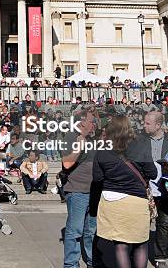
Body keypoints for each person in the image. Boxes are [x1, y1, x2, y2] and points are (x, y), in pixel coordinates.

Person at [92, 115, 157, 268]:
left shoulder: (103, 150)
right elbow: (152, 173)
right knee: (141, 243)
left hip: (112, 201)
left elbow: (97, 178)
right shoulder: (140, 145)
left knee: (120, 245)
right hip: (136, 200)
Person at [128, 111, 168, 268]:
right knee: (140, 223)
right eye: (144, 123)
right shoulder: (139, 140)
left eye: (148, 123)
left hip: (165, 188)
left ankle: (160, 257)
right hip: (144, 188)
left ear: (158, 125)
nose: (144, 126)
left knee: (163, 223)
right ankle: (137, 253)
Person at [61, 114, 98, 268]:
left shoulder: (93, 139)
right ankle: (71, 264)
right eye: (92, 121)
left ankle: (92, 261)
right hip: (77, 192)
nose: (94, 124)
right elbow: (67, 164)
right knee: (74, 231)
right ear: (81, 123)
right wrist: (79, 147)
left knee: (91, 231)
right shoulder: (71, 137)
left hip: (94, 191)